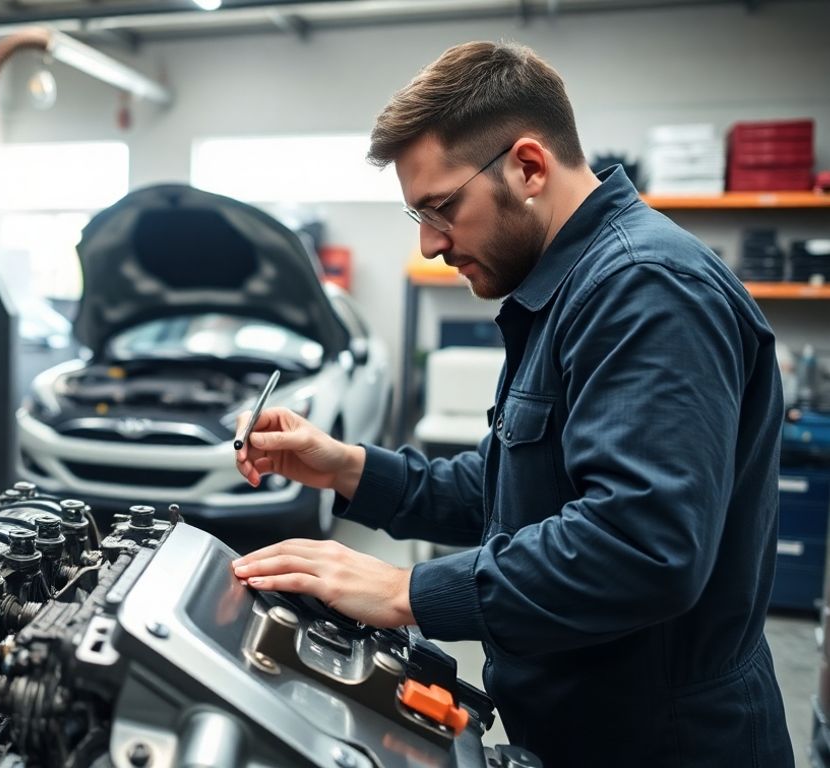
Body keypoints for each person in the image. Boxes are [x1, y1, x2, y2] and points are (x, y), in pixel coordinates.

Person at [231, 41, 794, 766]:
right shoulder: (568, 289)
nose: (432, 243)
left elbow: (643, 545)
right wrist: (346, 467)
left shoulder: (645, 289)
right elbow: (514, 493)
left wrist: (411, 590)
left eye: (440, 208)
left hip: (663, 742)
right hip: (577, 726)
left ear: (528, 167)